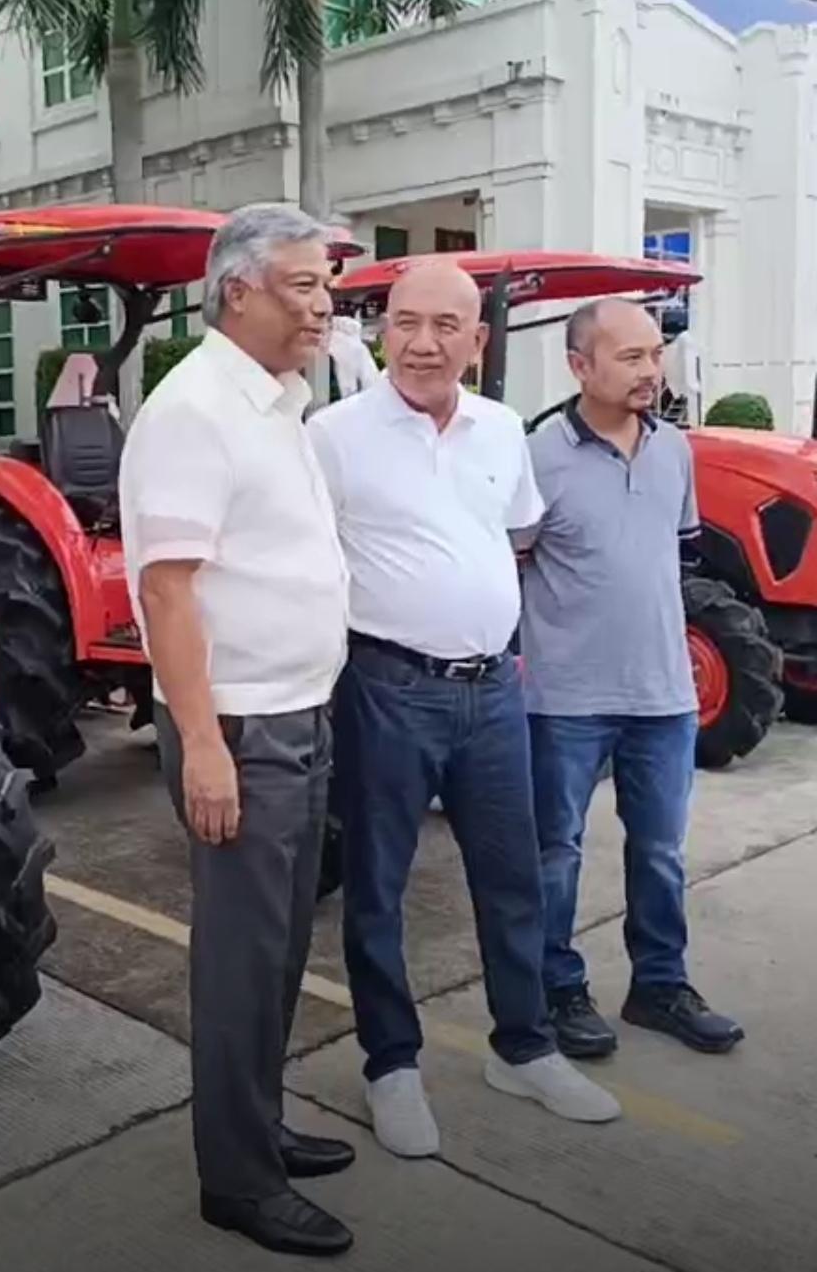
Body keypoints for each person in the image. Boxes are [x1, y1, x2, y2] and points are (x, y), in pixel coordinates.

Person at [307, 258, 620, 1159]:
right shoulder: (333, 435)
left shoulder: (498, 429)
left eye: (447, 325)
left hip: (493, 689)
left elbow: (511, 537)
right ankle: (390, 1065)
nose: (422, 343)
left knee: (512, 876)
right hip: (386, 688)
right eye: (405, 322)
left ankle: (523, 1046)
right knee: (378, 884)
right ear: (380, 330)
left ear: (478, 342)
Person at [119, 203, 355, 1259]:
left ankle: (258, 1125)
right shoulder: (194, 410)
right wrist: (205, 745)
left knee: (281, 947)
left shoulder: (276, 401)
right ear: (238, 291)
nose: (324, 302)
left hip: (300, 710)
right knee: (240, 960)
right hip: (244, 730)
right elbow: (168, 594)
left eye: (325, 283)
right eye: (302, 285)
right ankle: (239, 1181)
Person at [520, 298, 744, 1059]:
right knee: (557, 849)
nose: (652, 370)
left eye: (656, 355)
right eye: (632, 357)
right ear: (579, 365)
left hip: (664, 696)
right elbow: (513, 559)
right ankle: (556, 988)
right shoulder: (539, 453)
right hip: (565, 698)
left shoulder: (673, 449)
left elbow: (672, 555)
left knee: (659, 851)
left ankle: (659, 984)